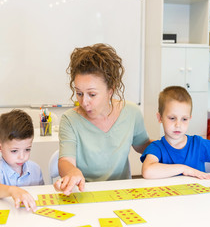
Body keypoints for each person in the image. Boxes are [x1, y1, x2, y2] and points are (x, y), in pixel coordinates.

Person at [54, 43, 151, 195]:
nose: (83, 101)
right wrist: (72, 172)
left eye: (92, 94)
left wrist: (173, 144)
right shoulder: (70, 119)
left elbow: (143, 146)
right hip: (85, 192)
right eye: (79, 93)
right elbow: (65, 161)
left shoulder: (131, 113)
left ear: (110, 91)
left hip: (122, 193)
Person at [141, 86, 210, 182]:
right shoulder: (156, 147)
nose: (178, 124)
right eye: (172, 118)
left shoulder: (199, 144)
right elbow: (147, 171)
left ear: (189, 119)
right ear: (160, 118)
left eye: (184, 119)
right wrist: (184, 168)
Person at [0, 109, 44, 212]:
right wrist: (12, 190)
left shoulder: (35, 169)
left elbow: (41, 195)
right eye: (14, 151)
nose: (22, 157)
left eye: (27, 149)